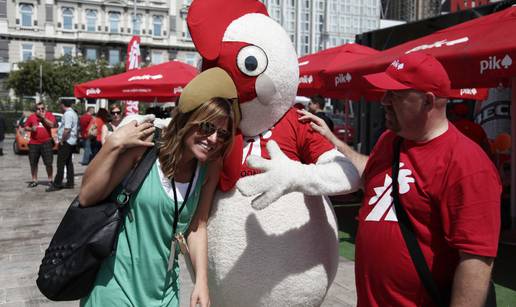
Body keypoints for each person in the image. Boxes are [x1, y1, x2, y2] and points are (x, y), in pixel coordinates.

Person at [299, 53, 501, 307]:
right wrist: (333, 141)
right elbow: (370, 174)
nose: (383, 100)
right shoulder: (390, 140)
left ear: (428, 101)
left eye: (395, 94)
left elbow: (476, 261)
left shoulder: (468, 164)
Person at [78, 97, 235, 307]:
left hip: (164, 292)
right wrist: (113, 144)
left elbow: (198, 226)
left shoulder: (209, 168)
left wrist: (202, 282)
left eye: (222, 134)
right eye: (207, 127)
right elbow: (87, 195)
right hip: (114, 288)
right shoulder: (145, 147)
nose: (214, 139)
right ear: (188, 120)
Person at [47, 100, 78, 191]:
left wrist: (62, 140)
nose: (60, 107)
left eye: (60, 105)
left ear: (63, 105)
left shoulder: (68, 114)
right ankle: (70, 182)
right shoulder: (73, 113)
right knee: (68, 162)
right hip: (72, 141)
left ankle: (57, 184)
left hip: (67, 141)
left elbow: (67, 129)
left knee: (60, 163)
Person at [24, 102, 57, 188]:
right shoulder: (32, 117)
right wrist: (31, 128)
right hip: (34, 143)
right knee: (33, 163)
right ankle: (34, 180)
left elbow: (52, 125)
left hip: (47, 142)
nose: (40, 110)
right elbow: (25, 127)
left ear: (45, 109)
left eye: (42, 109)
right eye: (38, 109)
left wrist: (43, 117)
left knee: (49, 163)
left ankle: (50, 180)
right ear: (36, 110)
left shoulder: (49, 115)